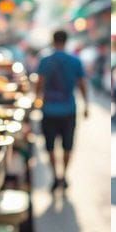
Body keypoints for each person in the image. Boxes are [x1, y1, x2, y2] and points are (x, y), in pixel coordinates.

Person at [36, 29, 89, 192]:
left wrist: (37, 99)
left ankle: (55, 176)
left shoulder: (45, 60)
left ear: (53, 41)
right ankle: (64, 175)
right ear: (66, 41)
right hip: (69, 110)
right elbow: (82, 84)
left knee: (50, 146)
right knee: (68, 146)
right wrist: (86, 104)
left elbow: (40, 82)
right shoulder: (75, 61)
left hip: (49, 110)